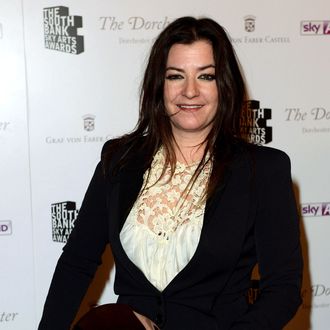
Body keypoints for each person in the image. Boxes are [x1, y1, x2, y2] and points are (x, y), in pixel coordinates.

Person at [39, 16, 303, 330]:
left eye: (206, 76)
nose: (190, 91)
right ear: (159, 86)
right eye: (176, 76)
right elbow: (76, 263)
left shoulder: (263, 170)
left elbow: (283, 289)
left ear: (225, 86)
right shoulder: (119, 161)